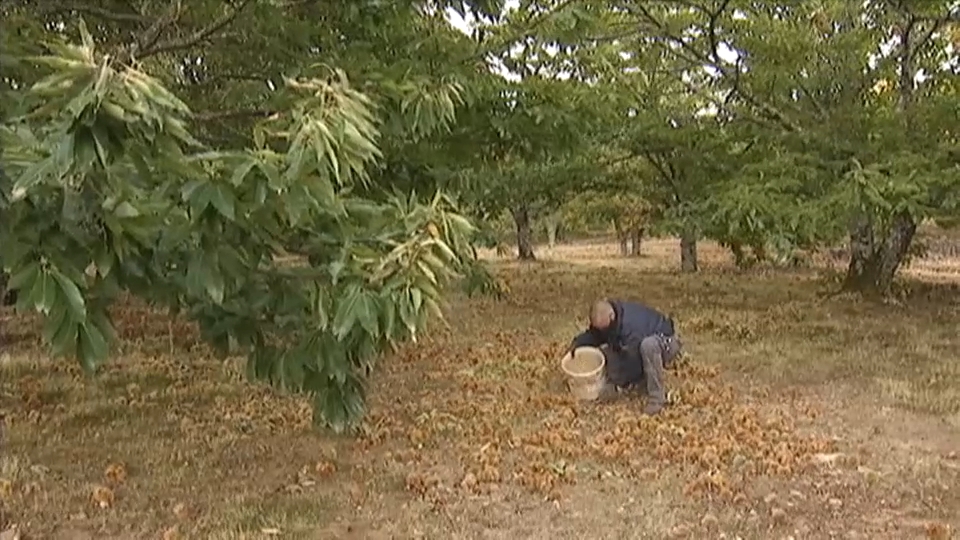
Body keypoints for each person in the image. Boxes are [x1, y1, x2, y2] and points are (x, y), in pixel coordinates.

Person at [566, 298, 682, 415]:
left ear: (612, 317)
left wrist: (621, 383)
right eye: (599, 329)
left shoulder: (630, 327)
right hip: (638, 342)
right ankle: (626, 382)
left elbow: (634, 359)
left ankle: (657, 398)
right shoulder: (609, 317)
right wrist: (578, 343)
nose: (602, 331)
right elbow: (595, 335)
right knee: (609, 352)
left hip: (666, 341)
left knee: (648, 347)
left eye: (604, 328)